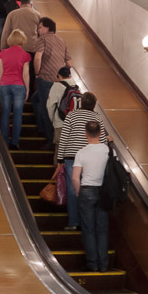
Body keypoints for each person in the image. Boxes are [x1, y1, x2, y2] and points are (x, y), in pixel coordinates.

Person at [56, 92, 106, 230]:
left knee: (73, 190)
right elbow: (101, 140)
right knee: (88, 189)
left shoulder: (71, 115)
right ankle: (87, 223)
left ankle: (73, 222)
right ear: (94, 105)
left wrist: (60, 158)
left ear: (81, 103)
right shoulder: (97, 117)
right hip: (91, 159)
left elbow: (64, 137)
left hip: (71, 157)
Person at [72, 121, 110, 272]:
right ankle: (104, 264)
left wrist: (78, 191)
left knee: (88, 229)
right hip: (103, 191)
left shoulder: (81, 153)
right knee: (102, 229)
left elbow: (75, 178)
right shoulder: (107, 150)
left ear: (86, 134)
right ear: (101, 133)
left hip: (86, 190)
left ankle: (92, 264)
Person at [32, 17, 71, 149]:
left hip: (45, 79)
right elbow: (69, 63)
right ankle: (42, 128)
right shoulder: (62, 40)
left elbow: (37, 57)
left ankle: (50, 139)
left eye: (40, 27)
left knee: (47, 107)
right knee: (35, 99)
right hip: (60, 80)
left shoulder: (41, 40)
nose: (38, 30)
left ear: (47, 28)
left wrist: (37, 73)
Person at [0, 30, 31, 149]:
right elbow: (25, 74)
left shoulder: (3, 53)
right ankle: (15, 142)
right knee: (17, 115)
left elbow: (0, 71)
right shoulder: (25, 55)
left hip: (5, 85)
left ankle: (4, 140)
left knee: (5, 113)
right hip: (19, 86)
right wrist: (27, 89)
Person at [45, 66, 76, 152]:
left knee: (59, 150)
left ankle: (58, 165)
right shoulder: (76, 86)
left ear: (59, 75)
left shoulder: (57, 86)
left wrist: (53, 120)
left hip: (60, 122)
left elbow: (50, 106)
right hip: (73, 123)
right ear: (70, 76)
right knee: (70, 150)